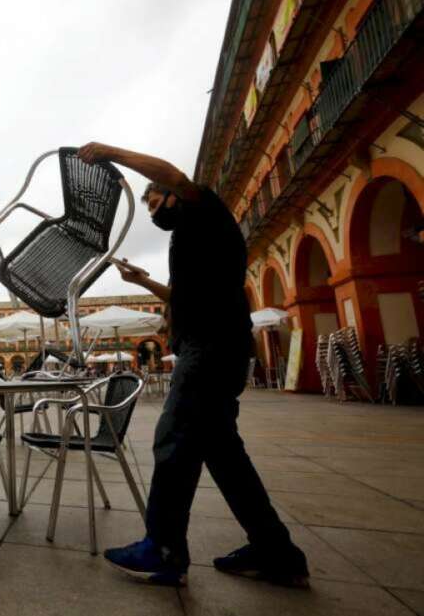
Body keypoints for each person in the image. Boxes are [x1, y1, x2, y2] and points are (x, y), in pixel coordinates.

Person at [77, 142, 308, 588]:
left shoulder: (202, 209)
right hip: (217, 346)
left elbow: (175, 174)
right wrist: (143, 282)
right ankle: (275, 550)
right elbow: (184, 299)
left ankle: (162, 549)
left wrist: (109, 152)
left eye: (153, 201)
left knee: (173, 442)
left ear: (172, 193)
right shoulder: (192, 237)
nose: (151, 212)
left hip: (210, 349)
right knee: (224, 455)